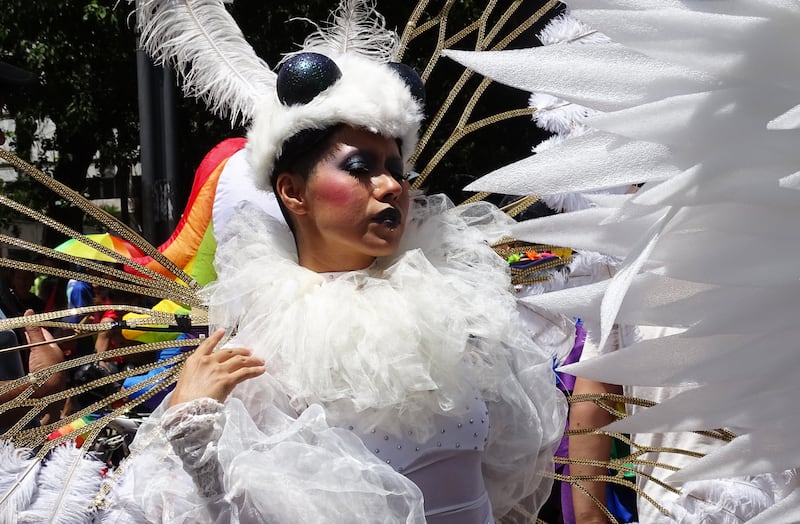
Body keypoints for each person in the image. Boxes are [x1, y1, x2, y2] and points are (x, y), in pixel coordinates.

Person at [88, 2, 570, 523]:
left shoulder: (457, 309)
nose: (391, 186)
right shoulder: (258, 346)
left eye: (395, 168)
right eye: (360, 167)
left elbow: (502, 473)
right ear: (293, 192)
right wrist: (190, 428)